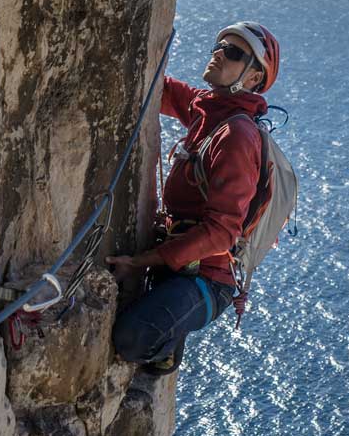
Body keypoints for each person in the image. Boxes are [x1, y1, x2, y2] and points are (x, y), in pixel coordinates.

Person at [106, 21, 282, 374]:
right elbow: (163, 91)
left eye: (233, 53)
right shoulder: (209, 109)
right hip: (180, 260)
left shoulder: (236, 135)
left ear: (252, 79)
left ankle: (165, 351)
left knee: (132, 337)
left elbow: (222, 232)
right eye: (219, 46)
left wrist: (143, 262)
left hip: (207, 278)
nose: (219, 53)